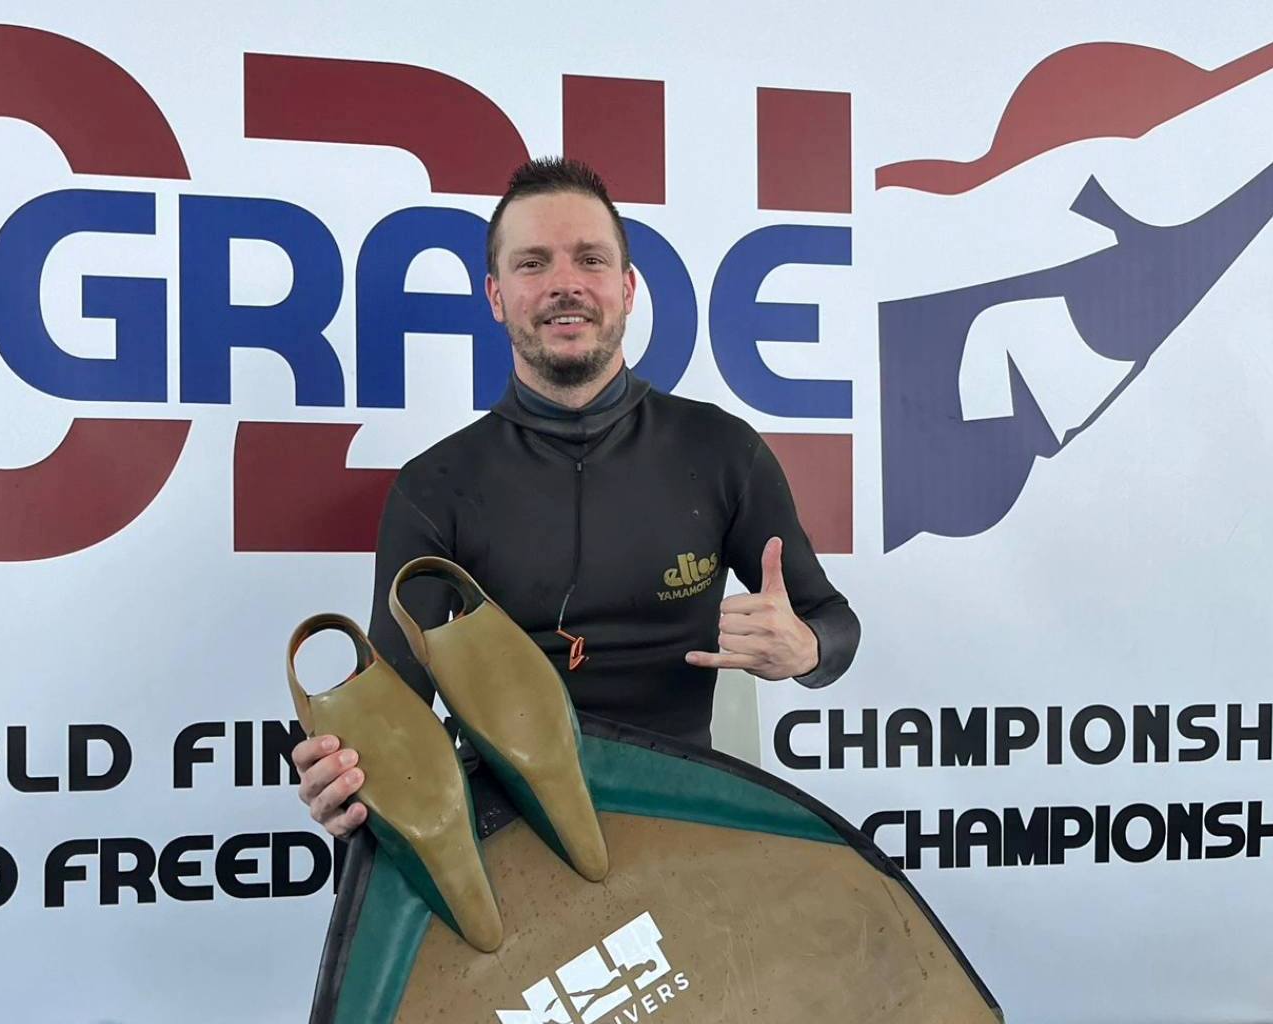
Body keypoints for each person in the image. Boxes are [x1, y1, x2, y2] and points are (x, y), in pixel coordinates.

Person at [293, 157, 860, 838]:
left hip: (686, 825)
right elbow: (398, 717)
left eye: (590, 260)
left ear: (627, 288)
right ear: (496, 296)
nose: (565, 284)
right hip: (509, 832)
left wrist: (805, 648)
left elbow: (835, 623)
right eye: (533, 264)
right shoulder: (434, 487)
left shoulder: (721, 450)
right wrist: (347, 783)